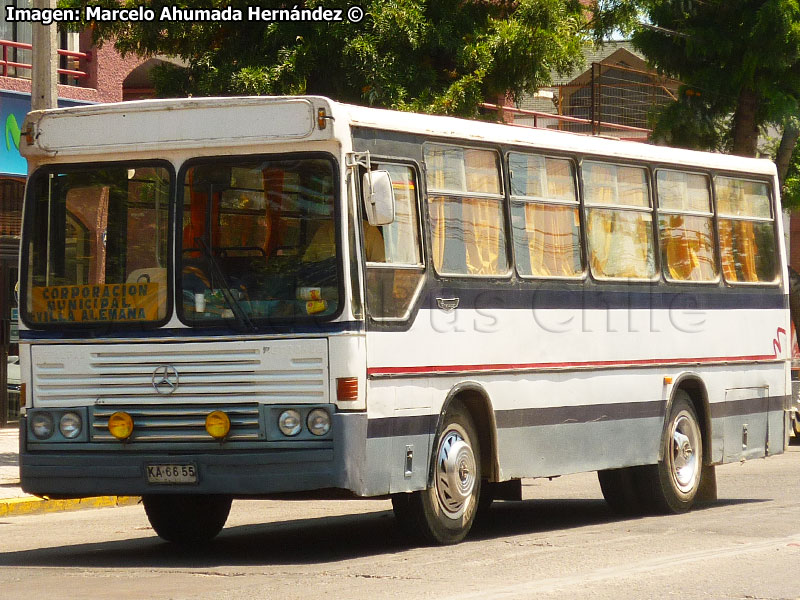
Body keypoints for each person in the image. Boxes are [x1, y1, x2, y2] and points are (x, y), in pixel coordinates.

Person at [303, 220, 385, 262]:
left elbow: (379, 268)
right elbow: (307, 262)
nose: (333, 207)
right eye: (330, 203)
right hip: (323, 288)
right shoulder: (323, 230)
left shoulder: (368, 230)